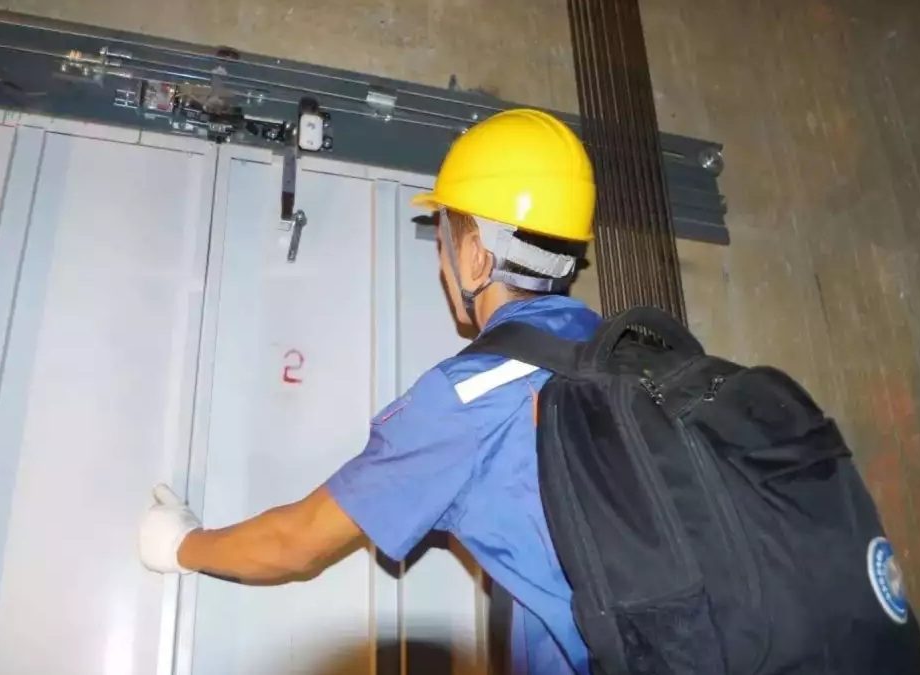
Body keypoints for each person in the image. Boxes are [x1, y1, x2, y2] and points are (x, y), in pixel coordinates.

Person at [139, 108, 601, 674]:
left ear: (476, 256)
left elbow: (295, 542)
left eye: (443, 241)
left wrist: (181, 544)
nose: (441, 264)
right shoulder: (626, 358)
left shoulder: (470, 398)